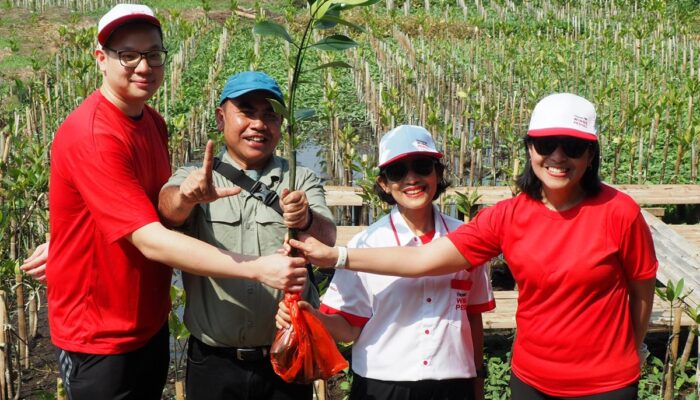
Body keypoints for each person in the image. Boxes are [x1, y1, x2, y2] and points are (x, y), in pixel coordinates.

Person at [288, 94, 658, 399]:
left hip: (605, 382)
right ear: (530, 149)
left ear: (591, 155)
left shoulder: (619, 212)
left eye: (573, 147)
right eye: (546, 145)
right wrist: (336, 256)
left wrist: (633, 348)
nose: (558, 157)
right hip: (531, 380)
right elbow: (424, 260)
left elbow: (641, 290)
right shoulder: (506, 217)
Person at [25, 5, 308, 399]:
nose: (143, 66)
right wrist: (259, 268)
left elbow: (134, 204)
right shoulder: (93, 134)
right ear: (101, 59)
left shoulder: (151, 121)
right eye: (128, 55)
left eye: (153, 54)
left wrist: (70, 239)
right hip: (100, 333)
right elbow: (150, 238)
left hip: (148, 322)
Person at [276, 125, 494, 400]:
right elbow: (348, 328)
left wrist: (477, 378)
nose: (411, 178)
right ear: (384, 184)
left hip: (453, 385)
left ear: (438, 173)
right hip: (382, 386)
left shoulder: (466, 240)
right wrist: (312, 315)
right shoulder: (365, 244)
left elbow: (473, 316)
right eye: (398, 172)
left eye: (422, 166)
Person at [158, 71, 337, 400]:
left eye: (270, 114)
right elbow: (168, 210)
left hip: (285, 353)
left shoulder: (299, 177)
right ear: (220, 117)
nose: (259, 124)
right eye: (247, 111)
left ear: (281, 125)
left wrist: (306, 217)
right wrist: (187, 196)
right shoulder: (197, 175)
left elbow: (327, 239)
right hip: (213, 363)